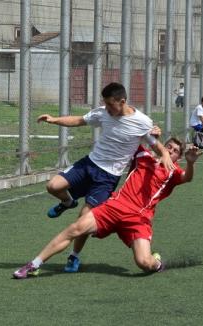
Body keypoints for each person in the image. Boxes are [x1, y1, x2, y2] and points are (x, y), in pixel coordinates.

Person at [13, 138, 203, 279]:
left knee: (144, 263)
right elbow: (134, 135)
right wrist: (151, 132)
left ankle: (157, 261)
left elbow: (188, 177)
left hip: (138, 218)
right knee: (76, 227)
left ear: (177, 157)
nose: (170, 151)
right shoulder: (143, 156)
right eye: (168, 146)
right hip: (115, 206)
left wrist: (191, 163)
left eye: (175, 151)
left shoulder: (174, 172)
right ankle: (34, 264)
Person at [36, 82, 175, 272]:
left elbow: (157, 146)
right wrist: (53, 120)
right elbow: (79, 120)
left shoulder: (142, 122)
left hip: (108, 176)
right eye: (106, 104)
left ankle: (74, 256)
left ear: (122, 101)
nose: (107, 109)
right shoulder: (103, 113)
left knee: (84, 217)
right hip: (89, 164)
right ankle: (68, 202)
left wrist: (166, 155)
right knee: (53, 186)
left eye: (111, 104)